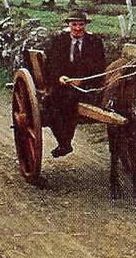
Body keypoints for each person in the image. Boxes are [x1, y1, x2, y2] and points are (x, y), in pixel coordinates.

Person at [43, 10, 106, 157]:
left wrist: (83, 80)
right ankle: (64, 143)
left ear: (85, 25)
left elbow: (100, 67)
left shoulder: (95, 42)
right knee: (50, 104)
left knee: (72, 102)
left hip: (86, 87)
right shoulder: (59, 40)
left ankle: (65, 143)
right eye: (74, 24)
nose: (78, 28)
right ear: (69, 25)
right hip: (62, 86)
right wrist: (59, 78)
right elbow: (51, 64)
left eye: (81, 24)